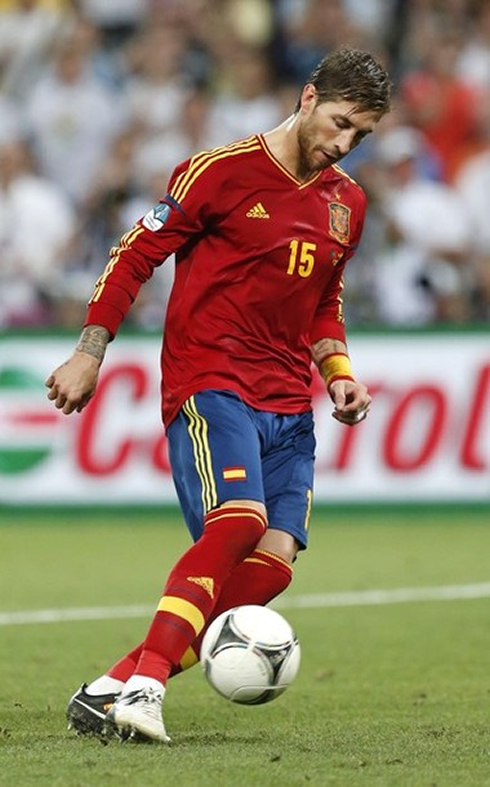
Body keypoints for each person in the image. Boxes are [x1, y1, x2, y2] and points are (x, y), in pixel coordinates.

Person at [45, 47, 391, 743]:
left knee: (273, 563)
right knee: (235, 522)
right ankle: (144, 692)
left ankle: (114, 683)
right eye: (339, 122)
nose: (343, 144)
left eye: (360, 135)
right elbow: (133, 252)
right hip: (212, 381)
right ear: (307, 97)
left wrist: (339, 373)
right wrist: (91, 349)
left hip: (289, 401)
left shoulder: (346, 203)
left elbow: (325, 299)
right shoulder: (220, 172)